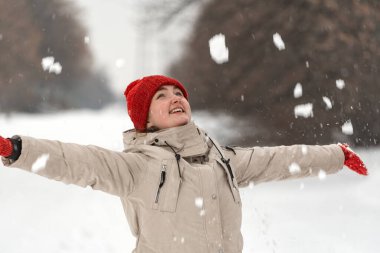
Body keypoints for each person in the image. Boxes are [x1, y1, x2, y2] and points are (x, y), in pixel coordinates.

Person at [0, 75, 368, 253]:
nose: (175, 98)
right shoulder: (138, 167)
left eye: (179, 93)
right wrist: (17, 149)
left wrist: (335, 155)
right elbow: (78, 161)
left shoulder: (222, 158)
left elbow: (278, 159)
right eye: (162, 96)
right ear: (144, 119)